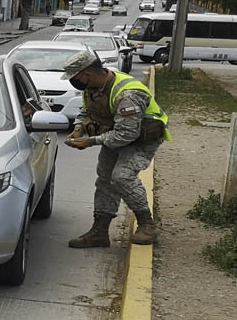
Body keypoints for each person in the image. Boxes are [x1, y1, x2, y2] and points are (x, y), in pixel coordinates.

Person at [61, 49, 170, 247]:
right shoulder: (93, 87)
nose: (73, 81)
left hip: (142, 139)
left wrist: (91, 141)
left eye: (74, 77)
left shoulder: (128, 94)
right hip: (116, 133)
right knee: (105, 179)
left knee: (121, 176)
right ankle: (99, 232)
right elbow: (87, 109)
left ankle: (147, 224)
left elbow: (127, 134)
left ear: (86, 74)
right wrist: (79, 129)